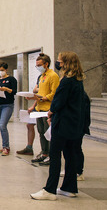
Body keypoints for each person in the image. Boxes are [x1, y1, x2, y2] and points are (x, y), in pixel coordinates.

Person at [31, 51, 87, 201]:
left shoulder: (66, 81)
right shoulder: (78, 80)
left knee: (55, 156)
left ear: (66, 64)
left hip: (63, 123)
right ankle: (69, 187)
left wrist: (51, 112)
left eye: (60, 61)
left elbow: (58, 101)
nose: (58, 64)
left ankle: (49, 190)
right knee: (70, 155)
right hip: (74, 124)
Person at [30, 53, 60, 166]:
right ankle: (44, 153)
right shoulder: (42, 76)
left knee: (49, 134)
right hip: (39, 109)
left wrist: (44, 98)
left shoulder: (53, 76)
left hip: (48, 108)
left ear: (46, 64)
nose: (38, 67)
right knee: (41, 132)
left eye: (39, 65)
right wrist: (34, 99)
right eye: (36, 65)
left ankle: (52, 155)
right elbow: (39, 92)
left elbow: (54, 93)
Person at [0, 62, 17, 156]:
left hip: (7, 105)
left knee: (3, 125)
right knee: (0, 125)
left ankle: (6, 147)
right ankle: (3, 146)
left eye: (2, 70)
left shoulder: (11, 79)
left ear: (6, 70)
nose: (0, 72)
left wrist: (6, 89)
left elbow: (14, 91)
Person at [17, 74, 41, 156]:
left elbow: (42, 92)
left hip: (46, 106)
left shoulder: (51, 76)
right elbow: (35, 90)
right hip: (39, 104)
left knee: (43, 129)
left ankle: (46, 151)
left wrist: (37, 89)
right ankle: (29, 147)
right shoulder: (40, 77)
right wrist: (33, 106)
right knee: (29, 125)